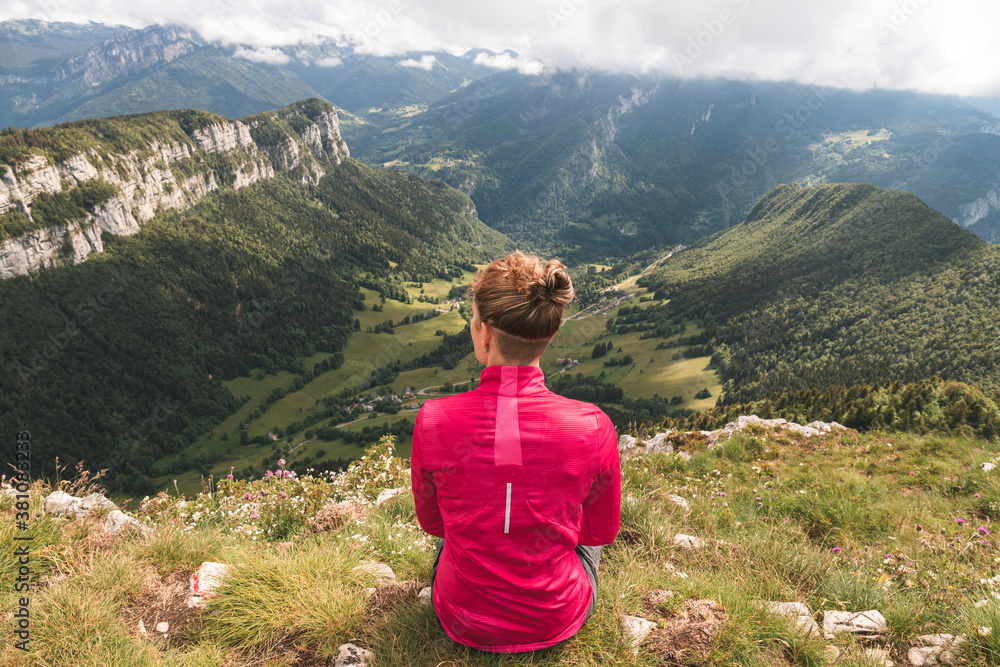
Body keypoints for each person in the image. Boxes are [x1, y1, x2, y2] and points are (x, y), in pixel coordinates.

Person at [410, 250, 621, 653]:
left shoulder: (434, 419)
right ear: (548, 333)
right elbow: (600, 532)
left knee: (454, 536)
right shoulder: (594, 425)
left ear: (485, 334)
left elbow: (434, 523)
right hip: (558, 613)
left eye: (473, 319)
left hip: (462, 617)